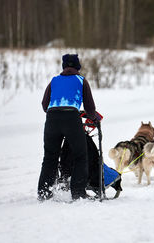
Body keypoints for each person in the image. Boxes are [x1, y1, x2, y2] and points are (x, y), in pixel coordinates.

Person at [37, 54, 99, 201]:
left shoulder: (54, 81)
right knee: (80, 156)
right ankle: (78, 193)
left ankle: (44, 193)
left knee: (50, 157)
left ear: (63, 66)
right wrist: (93, 118)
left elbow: (44, 105)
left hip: (52, 119)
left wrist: (56, 112)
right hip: (72, 118)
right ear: (78, 67)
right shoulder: (81, 80)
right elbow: (90, 109)